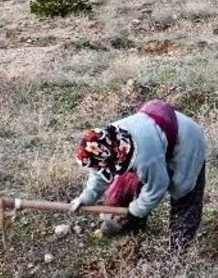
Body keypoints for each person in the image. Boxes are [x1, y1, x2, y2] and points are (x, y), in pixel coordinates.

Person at [70, 100, 207, 250]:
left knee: (183, 191)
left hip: (187, 139)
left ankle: (179, 247)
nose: (97, 166)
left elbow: (158, 186)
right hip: (158, 134)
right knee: (144, 181)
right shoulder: (108, 141)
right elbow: (99, 172)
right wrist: (85, 198)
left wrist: (135, 210)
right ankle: (134, 225)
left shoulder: (144, 157)